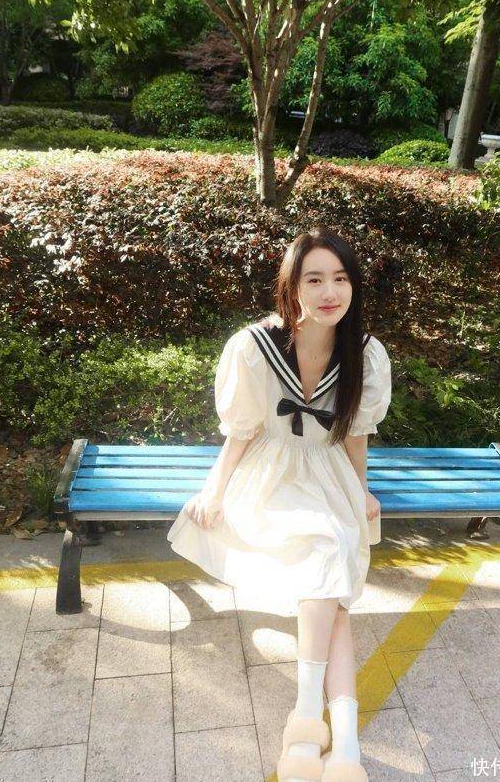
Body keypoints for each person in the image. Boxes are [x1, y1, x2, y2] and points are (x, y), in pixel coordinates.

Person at [167, 227, 392, 782]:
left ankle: (320, 732)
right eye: (314, 280)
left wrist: (361, 490)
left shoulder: (364, 352)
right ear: (292, 288)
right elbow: (241, 432)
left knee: (330, 583)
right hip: (269, 479)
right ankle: (335, 738)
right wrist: (215, 489)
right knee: (327, 553)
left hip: (329, 477)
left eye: (340, 279)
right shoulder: (254, 346)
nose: (329, 292)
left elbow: (355, 434)